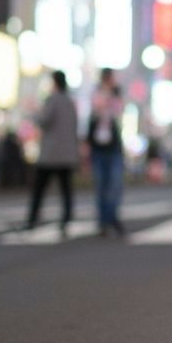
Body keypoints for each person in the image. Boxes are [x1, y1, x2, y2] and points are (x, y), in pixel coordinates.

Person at [26, 70, 79, 235]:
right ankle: (66, 219)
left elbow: (43, 120)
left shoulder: (52, 100)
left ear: (54, 83)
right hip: (67, 154)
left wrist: (33, 111)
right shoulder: (70, 102)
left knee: (39, 188)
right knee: (66, 189)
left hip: (51, 154)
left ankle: (32, 219)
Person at [88, 68, 126, 237]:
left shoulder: (116, 94)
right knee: (102, 186)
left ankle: (112, 217)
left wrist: (113, 95)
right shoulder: (96, 94)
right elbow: (95, 111)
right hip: (99, 147)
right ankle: (104, 221)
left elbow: (118, 111)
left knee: (115, 185)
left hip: (113, 146)